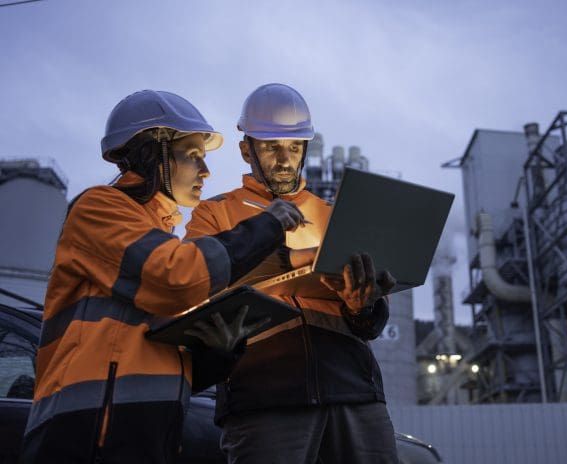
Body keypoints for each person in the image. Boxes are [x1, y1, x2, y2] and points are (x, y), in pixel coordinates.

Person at [21, 90, 306, 464]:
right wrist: (267, 225)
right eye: (193, 156)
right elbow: (177, 277)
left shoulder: (162, 238)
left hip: (147, 433)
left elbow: (167, 363)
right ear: (154, 153)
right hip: (84, 433)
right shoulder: (99, 210)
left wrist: (219, 350)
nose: (205, 171)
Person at [185, 83, 399, 463]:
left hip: (354, 392)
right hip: (264, 396)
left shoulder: (335, 215)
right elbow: (195, 285)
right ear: (245, 149)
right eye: (271, 147)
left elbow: (369, 325)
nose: (285, 159)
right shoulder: (215, 215)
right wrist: (290, 258)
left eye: (295, 147)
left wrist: (363, 304)